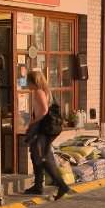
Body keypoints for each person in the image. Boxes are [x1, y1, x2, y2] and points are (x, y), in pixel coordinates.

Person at [23, 70, 73, 200]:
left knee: (42, 158)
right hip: (44, 128)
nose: (27, 84)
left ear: (34, 82)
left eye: (28, 81)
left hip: (43, 128)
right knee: (36, 155)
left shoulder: (39, 92)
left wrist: (33, 122)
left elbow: (44, 110)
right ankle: (38, 186)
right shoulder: (43, 91)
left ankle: (61, 186)